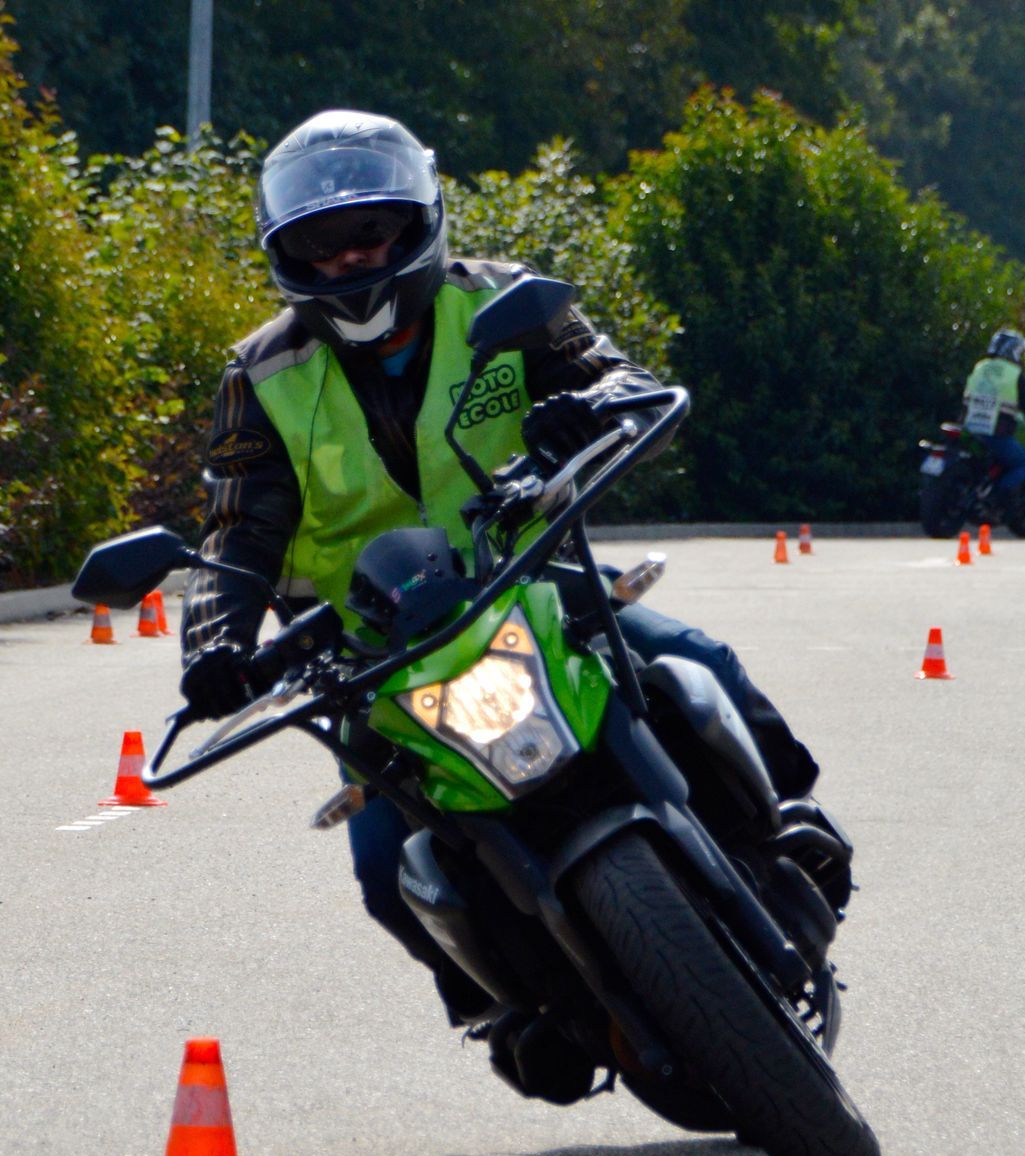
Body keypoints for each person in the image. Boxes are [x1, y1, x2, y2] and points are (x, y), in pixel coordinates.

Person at [177, 110, 822, 1056]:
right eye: (321, 248)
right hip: (373, 652)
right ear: (288, 258)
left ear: (420, 219)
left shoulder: (507, 299)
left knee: (691, 661)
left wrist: (592, 409)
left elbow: (612, 373)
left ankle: (786, 832)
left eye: (370, 234)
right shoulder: (262, 373)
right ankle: (522, 1007)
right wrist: (217, 647)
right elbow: (240, 526)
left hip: (531, 580)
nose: (351, 262)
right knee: (382, 863)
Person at [961, 328, 1025, 514]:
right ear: (1012, 351)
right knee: (1022, 465)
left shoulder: (981, 366)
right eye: (1019, 352)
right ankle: (994, 499)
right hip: (995, 431)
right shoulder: (1014, 374)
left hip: (969, 427)